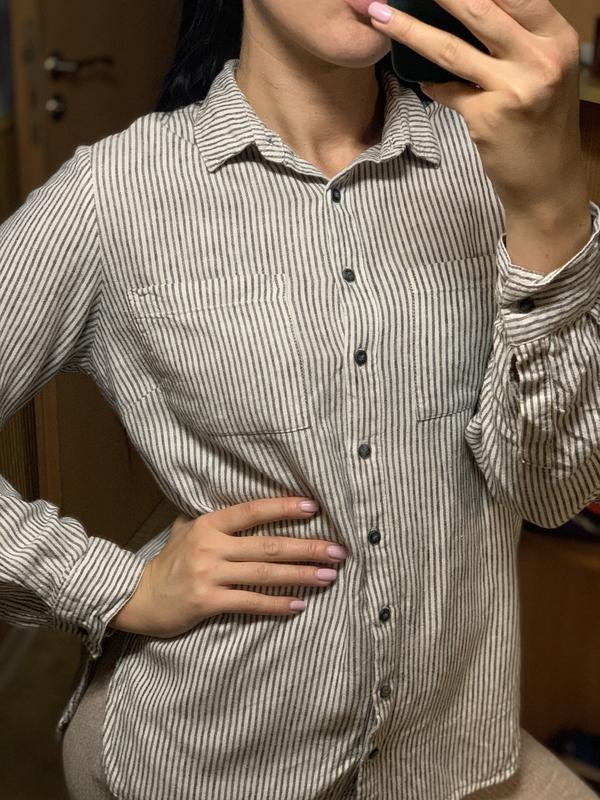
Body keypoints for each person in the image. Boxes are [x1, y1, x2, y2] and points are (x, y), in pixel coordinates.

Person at [1, 0, 598, 798]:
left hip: (446, 754)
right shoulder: (115, 195)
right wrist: (114, 587)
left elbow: (552, 492)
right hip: (212, 759)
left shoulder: (497, 164)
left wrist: (552, 210)